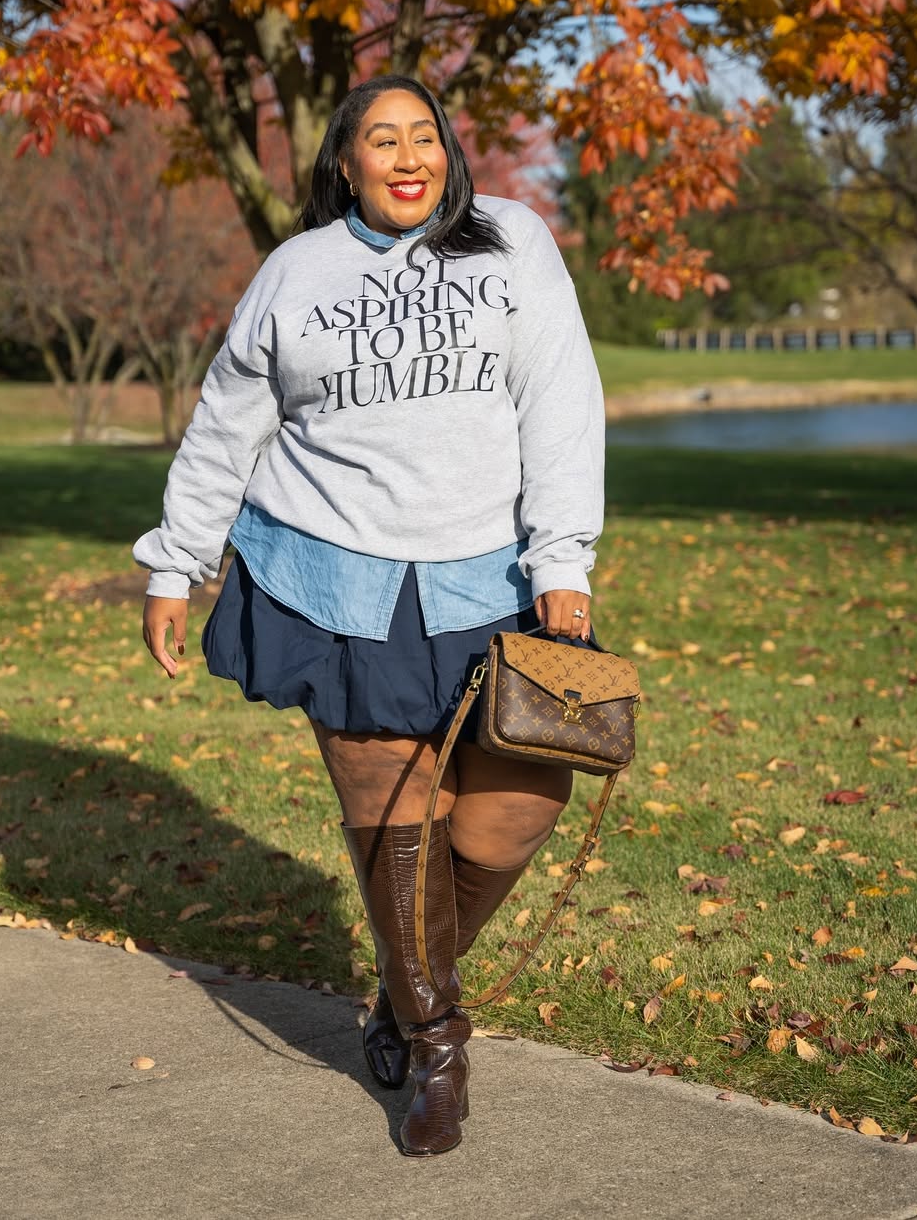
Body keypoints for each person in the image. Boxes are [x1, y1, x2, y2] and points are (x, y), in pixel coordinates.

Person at [135, 74, 605, 1157]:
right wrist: (177, 561)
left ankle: (400, 992)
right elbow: (227, 423)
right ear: (342, 162)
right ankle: (438, 1050)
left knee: (516, 806)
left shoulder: (512, 243)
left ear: (448, 149)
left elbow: (561, 400)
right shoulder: (296, 271)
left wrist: (562, 556)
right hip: (329, 578)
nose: (407, 156)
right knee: (394, 821)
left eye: (425, 135)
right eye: (380, 140)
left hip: (493, 581)